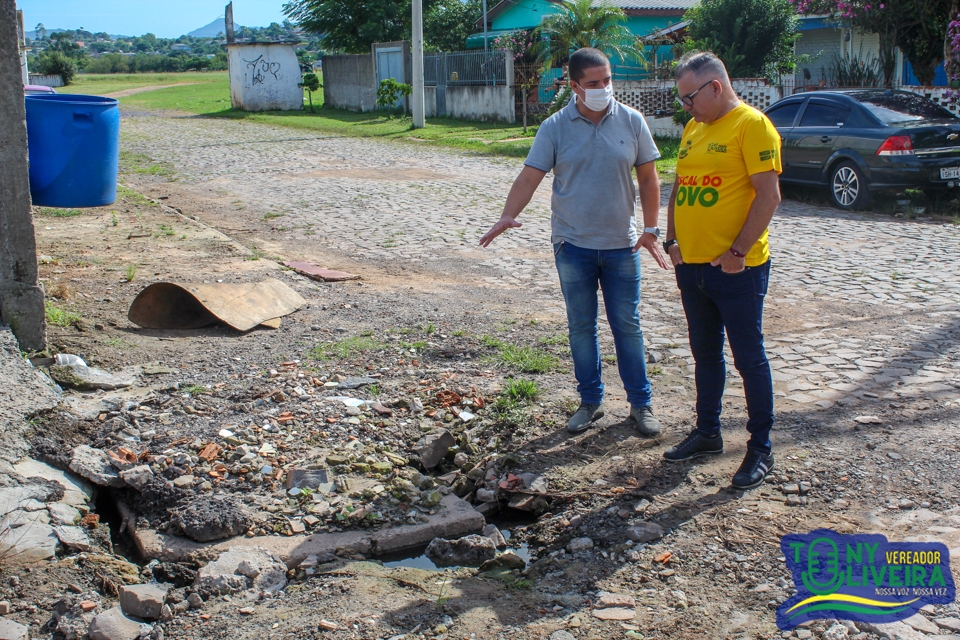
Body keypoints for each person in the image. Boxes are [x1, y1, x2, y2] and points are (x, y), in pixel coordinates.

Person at [480, 47, 668, 436]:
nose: (603, 88)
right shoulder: (554, 127)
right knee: (581, 327)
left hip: (622, 245)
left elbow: (649, 180)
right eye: (594, 83)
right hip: (573, 246)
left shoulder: (632, 122)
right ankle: (591, 401)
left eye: (608, 80)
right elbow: (529, 177)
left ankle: (641, 404)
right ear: (574, 86)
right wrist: (506, 214)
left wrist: (652, 230)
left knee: (628, 326)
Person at [660, 51, 782, 490]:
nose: (685, 107)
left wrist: (739, 250)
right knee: (704, 354)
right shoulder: (695, 128)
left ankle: (760, 448)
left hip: (736, 270)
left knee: (749, 358)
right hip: (690, 265)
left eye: (690, 97)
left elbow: (769, 196)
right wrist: (671, 241)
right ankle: (708, 432)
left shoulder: (752, 126)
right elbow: (678, 186)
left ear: (715, 86)